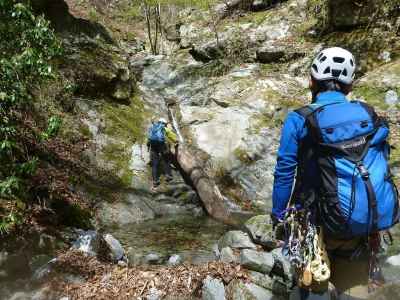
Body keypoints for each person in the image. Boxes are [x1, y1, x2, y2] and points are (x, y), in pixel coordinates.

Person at [272, 47, 399, 299]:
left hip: (312, 224)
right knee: (354, 289)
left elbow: (285, 173)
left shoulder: (299, 119)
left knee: (313, 286)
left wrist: (278, 216)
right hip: (359, 221)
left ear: (312, 81)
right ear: (349, 87)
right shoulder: (367, 113)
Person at [147, 117, 178, 189]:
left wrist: (148, 146)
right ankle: (168, 175)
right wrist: (176, 141)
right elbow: (172, 136)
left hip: (153, 146)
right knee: (166, 160)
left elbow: (149, 138)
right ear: (164, 123)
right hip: (161, 145)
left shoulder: (152, 127)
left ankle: (155, 181)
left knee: (154, 164)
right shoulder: (164, 128)